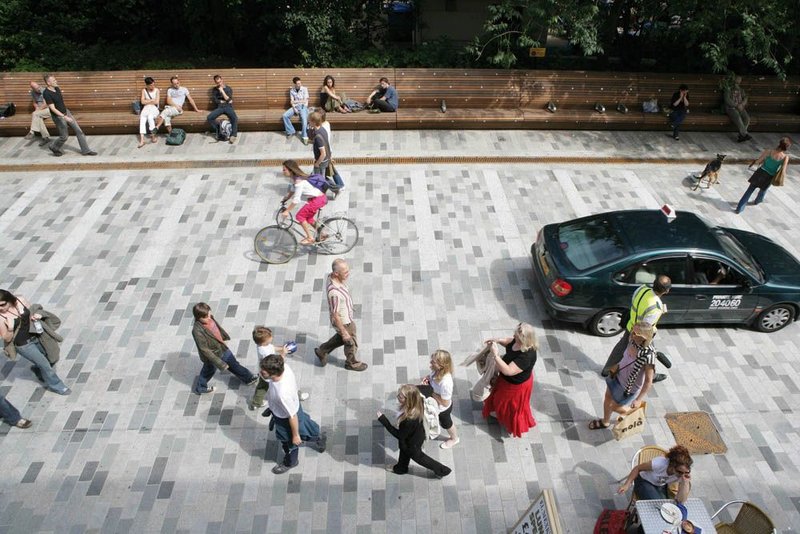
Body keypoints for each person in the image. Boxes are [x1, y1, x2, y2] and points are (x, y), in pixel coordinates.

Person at [260, 354, 326, 474]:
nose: (261, 372)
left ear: (273, 373)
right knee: (305, 428)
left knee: (289, 442)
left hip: (286, 418)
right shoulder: (285, 367)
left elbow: (292, 416)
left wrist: (295, 435)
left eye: (264, 371)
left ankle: (291, 461)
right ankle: (318, 437)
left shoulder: (282, 394)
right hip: (291, 408)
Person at [601, 275, 671, 383]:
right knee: (648, 357)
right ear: (666, 291)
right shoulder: (656, 308)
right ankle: (651, 376)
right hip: (641, 335)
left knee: (620, 348)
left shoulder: (642, 289)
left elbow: (634, 303)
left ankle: (607, 369)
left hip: (630, 325)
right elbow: (646, 327)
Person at [0, 290, 71, 395]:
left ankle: (38, 369)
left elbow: (31, 311)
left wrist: (37, 315)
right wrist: (10, 328)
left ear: (9, 299)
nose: (1, 308)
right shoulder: (1, 317)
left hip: (37, 335)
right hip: (24, 345)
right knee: (45, 365)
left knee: (53, 356)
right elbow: (6, 338)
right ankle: (57, 385)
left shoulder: (20, 299)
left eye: (2, 304)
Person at [589, 322, 656, 430]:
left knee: (615, 406)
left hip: (628, 388)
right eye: (632, 331)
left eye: (635, 333)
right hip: (617, 375)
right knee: (607, 398)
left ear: (644, 337)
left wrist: (638, 400)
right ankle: (605, 422)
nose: (631, 334)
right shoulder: (632, 340)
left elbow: (648, 381)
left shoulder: (649, 355)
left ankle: (632, 415)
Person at [377, 384, 452, 478]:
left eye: (400, 396)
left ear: (408, 400)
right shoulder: (418, 401)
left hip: (412, 443)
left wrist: (384, 420)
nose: (397, 397)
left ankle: (442, 470)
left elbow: (399, 435)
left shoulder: (409, 420)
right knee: (404, 452)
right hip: (416, 435)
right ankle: (401, 468)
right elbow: (423, 390)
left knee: (419, 457)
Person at [481, 322, 538, 438]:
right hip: (507, 380)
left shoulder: (526, 356)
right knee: (499, 399)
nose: (514, 337)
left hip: (515, 386)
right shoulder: (518, 342)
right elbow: (509, 341)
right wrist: (497, 340)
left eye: (517, 336)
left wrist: (496, 355)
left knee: (506, 404)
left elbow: (508, 370)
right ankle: (499, 412)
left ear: (524, 339)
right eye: (515, 335)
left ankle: (507, 420)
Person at [190, 302, 257, 395]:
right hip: (213, 356)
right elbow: (204, 350)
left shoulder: (209, 317)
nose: (209, 318)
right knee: (208, 371)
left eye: (209, 314)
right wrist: (220, 363)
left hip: (222, 348)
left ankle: (249, 378)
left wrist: (222, 338)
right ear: (198, 317)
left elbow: (216, 329)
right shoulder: (197, 331)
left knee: (234, 365)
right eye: (206, 317)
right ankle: (200, 388)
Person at [315, 259, 368, 371]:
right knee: (350, 342)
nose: (348, 274)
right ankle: (351, 363)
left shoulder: (331, 277)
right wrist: (344, 332)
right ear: (336, 273)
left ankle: (322, 351)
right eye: (345, 273)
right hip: (344, 322)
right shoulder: (334, 293)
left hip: (345, 317)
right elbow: (335, 314)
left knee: (341, 338)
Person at [250, 326, 308, 410]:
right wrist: (283, 353)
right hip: (274, 372)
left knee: (262, 387)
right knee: (289, 383)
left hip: (263, 372)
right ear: (263, 342)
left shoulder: (262, 345)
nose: (272, 337)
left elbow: (272, 347)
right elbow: (276, 362)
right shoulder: (264, 352)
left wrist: (282, 348)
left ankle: (256, 403)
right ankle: (297, 395)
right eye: (270, 337)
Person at [42, 74, 97, 157]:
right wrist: (64, 117)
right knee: (64, 137)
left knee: (79, 131)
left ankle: (86, 151)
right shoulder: (46, 93)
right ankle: (53, 146)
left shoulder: (56, 88)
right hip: (58, 117)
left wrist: (67, 114)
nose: (56, 81)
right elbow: (52, 108)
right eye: (54, 80)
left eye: (55, 79)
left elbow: (60, 103)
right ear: (48, 83)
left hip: (66, 112)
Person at [617, 444, 693, 503]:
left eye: (686, 472)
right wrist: (627, 484)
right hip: (644, 481)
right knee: (657, 505)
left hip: (659, 485)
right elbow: (637, 468)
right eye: (679, 472)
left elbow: (680, 501)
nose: (682, 475)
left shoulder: (683, 475)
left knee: (666, 506)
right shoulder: (659, 464)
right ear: (672, 465)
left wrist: (685, 483)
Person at [735, 137, 791, 214]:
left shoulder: (769, 151)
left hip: (760, 172)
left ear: (779, 144)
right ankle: (757, 201)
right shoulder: (785, 157)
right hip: (770, 176)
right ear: (786, 147)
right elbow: (783, 170)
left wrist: (764, 161)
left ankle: (739, 208)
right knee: (763, 190)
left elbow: (758, 161)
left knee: (750, 190)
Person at [279, 159, 328, 245]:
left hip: (317, 200)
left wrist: (287, 211)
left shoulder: (299, 181)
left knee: (299, 216)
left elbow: (296, 199)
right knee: (309, 219)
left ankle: (310, 238)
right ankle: (323, 234)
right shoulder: (295, 178)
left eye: (284, 169)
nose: (283, 171)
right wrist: (285, 199)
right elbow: (292, 191)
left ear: (291, 170)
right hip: (318, 198)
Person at [417, 350, 459, 449]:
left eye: (433, 362)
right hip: (434, 402)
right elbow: (432, 379)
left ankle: (454, 438)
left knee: (447, 423)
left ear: (441, 365)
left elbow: (445, 402)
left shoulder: (446, 383)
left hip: (442, 409)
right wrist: (427, 379)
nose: (430, 362)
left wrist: (430, 391)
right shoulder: (437, 371)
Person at [207, 75, 238, 144]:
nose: (219, 83)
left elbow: (229, 100)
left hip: (228, 106)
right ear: (215, 82)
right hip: (220, 107)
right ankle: (219, 129)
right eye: (217, 82)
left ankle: (233, 135)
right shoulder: (214, 90)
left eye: (220, 81)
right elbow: (216, 100)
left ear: (222, 80)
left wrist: (222, 91)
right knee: (209, 118)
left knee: (234, 118)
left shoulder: (228, 88)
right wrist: (222, 101)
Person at [319, 110, 345, 190]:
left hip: (325, 151)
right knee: (330, 168)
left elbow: (324, 142)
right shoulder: (327, 123)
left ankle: (335, 187)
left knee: (320, 172)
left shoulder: (321, 128)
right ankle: (340, 184)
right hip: (327, 150)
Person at [724, 75, 751, 142]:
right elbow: (727, 100)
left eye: (740, 79)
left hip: (740, 107)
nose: (739, 81)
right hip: (731, 108)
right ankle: (744, 134)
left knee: (747, 118)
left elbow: (745, 98)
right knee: (738, 117)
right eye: (737, 79)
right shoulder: (728, 89)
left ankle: (741, 135)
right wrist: (736, 105)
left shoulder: (741, 90)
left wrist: (742, 104)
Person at [282, 77, 309, 144]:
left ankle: (304, 136)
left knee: (304, 119)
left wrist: (296, 102)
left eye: (300, 83)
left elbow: (305, 100)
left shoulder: (304, 89)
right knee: (285, 115)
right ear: (295, 84)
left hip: (303, 106)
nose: (299, 84)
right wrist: (294, 108)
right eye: (298, 83)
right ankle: (291, 131)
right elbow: (291, 102)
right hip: (295, 107)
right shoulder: (292, 91)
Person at [137, 77, 160, 148]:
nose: (152, 86)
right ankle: (142, 140)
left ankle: (153, 136)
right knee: (142, 119)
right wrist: (151, 100)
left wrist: (148, 101)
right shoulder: (144, 90)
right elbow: (142, 102)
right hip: (146, 108)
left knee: (150, 117)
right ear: (147, 85)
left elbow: (156, 102)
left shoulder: (157, 90)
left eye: (153, 85)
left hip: (154, 108)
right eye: (151, 85)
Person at [308, 111, 331, 177]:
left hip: (321, 161)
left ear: (314, 122)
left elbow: (323, 154)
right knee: (319, 177)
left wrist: (317, 163)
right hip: (325, 159)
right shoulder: (322, 129)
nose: (308, 122)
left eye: (309, 121)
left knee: (319, 179)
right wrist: (311, 142)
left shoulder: (318, 136)